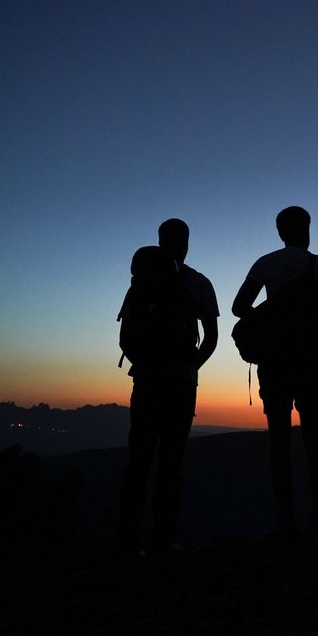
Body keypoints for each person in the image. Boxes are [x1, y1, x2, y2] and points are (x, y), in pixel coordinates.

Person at [232, 206, 318, 535]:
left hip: (275, 360)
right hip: (313, 359)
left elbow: (239, 308)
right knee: (314, 441)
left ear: (280, 232)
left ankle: (286, 519)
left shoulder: (265, 264)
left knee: (279, 442)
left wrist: (272, 317)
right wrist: (311, 320)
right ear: (307, 230)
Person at [118, 218, 219, 556]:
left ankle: (128, 539)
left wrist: (149, 365)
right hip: (181, 383)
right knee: (171, 462)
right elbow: (211, 338)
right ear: (187, 243)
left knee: (139, 458)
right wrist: (189, 368)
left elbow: (126, 336)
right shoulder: (199, 283)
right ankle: (164, 538)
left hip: (146, 380)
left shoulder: (141, 282)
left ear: (160, 241)